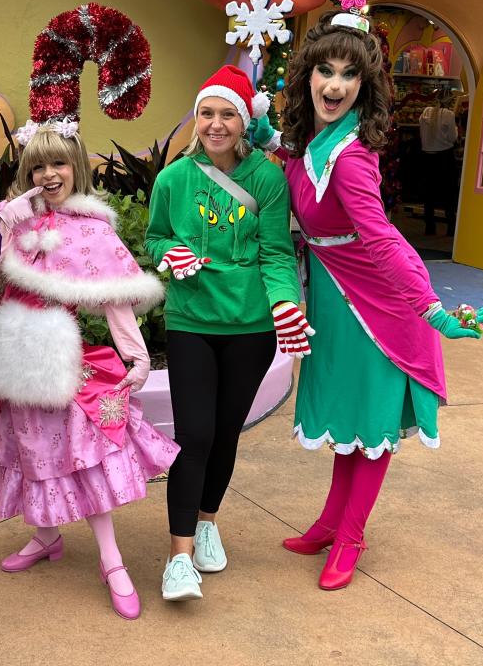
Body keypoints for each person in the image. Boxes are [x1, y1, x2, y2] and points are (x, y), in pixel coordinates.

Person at [269, 0, 483, 590]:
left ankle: (350, 535)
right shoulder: (310, 142)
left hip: (375, 305)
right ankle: (330, 521)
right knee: (349, 416)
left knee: (371, 422)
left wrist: (429, 309)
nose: (336, 84)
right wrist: (256, 129)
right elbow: (287, 153)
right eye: (326, 69)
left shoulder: (349, 157)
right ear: (308, 76)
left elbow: (382, 239)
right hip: (335, 293)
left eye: (351, 74)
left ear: (365, 85)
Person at [0, 124, 178, 620]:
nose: (48, 174)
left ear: (76, 167)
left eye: (58, 163)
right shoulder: (15, 220)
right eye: (38, 165)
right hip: (10, 357)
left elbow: (115, 297)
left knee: (81, 457)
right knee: (31, 454)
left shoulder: (93, 230)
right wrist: (1, 232)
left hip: (58, 362)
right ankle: (47, 536)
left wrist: (136, 355)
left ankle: (112, 562)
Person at [145, 65, 310, 602]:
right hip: (192, 322)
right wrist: (167, 255)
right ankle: (179, 558)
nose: (216, 124)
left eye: (228, 114)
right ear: (197, 119)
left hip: (252, 327)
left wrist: (286, 303)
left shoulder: (266, 177)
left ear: (245, 121)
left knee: (224, 432)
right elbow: (155, 237)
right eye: (207, 113)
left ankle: (209, 520)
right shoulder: (173, 179)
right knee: (194, 435)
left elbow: (277, 252)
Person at [419, 92, 460, 236]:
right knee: (449, 192)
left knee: (429, 193)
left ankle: (429, 227)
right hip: (444, 156)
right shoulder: (448, 114)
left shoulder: (425, 112)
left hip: (427, 157)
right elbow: (452, 138)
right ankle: (451, 227)